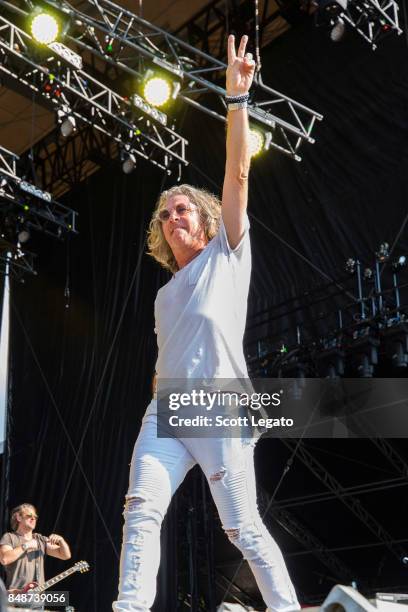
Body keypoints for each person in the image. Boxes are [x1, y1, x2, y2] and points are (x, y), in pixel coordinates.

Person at [113, 35, 300, 612]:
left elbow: (238, 175)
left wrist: (236, 98)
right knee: (141, 508)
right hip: (167, 409)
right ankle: (129, 607)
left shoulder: (228, 253)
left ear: (205, 217)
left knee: (241, 528)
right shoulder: (164, 294)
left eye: (182, 209)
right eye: (164, 215)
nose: (172, 218)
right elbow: (169, 352)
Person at [0, 503, 71, 594]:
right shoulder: (9, 537)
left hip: (37, 598)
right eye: (29, 516)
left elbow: (65, 555)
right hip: (15, 595)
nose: (33, 518)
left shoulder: (40, 539)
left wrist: (61, 541)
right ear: (18, 517)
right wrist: (26, 545)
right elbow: (4, 559)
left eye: (35, 517)